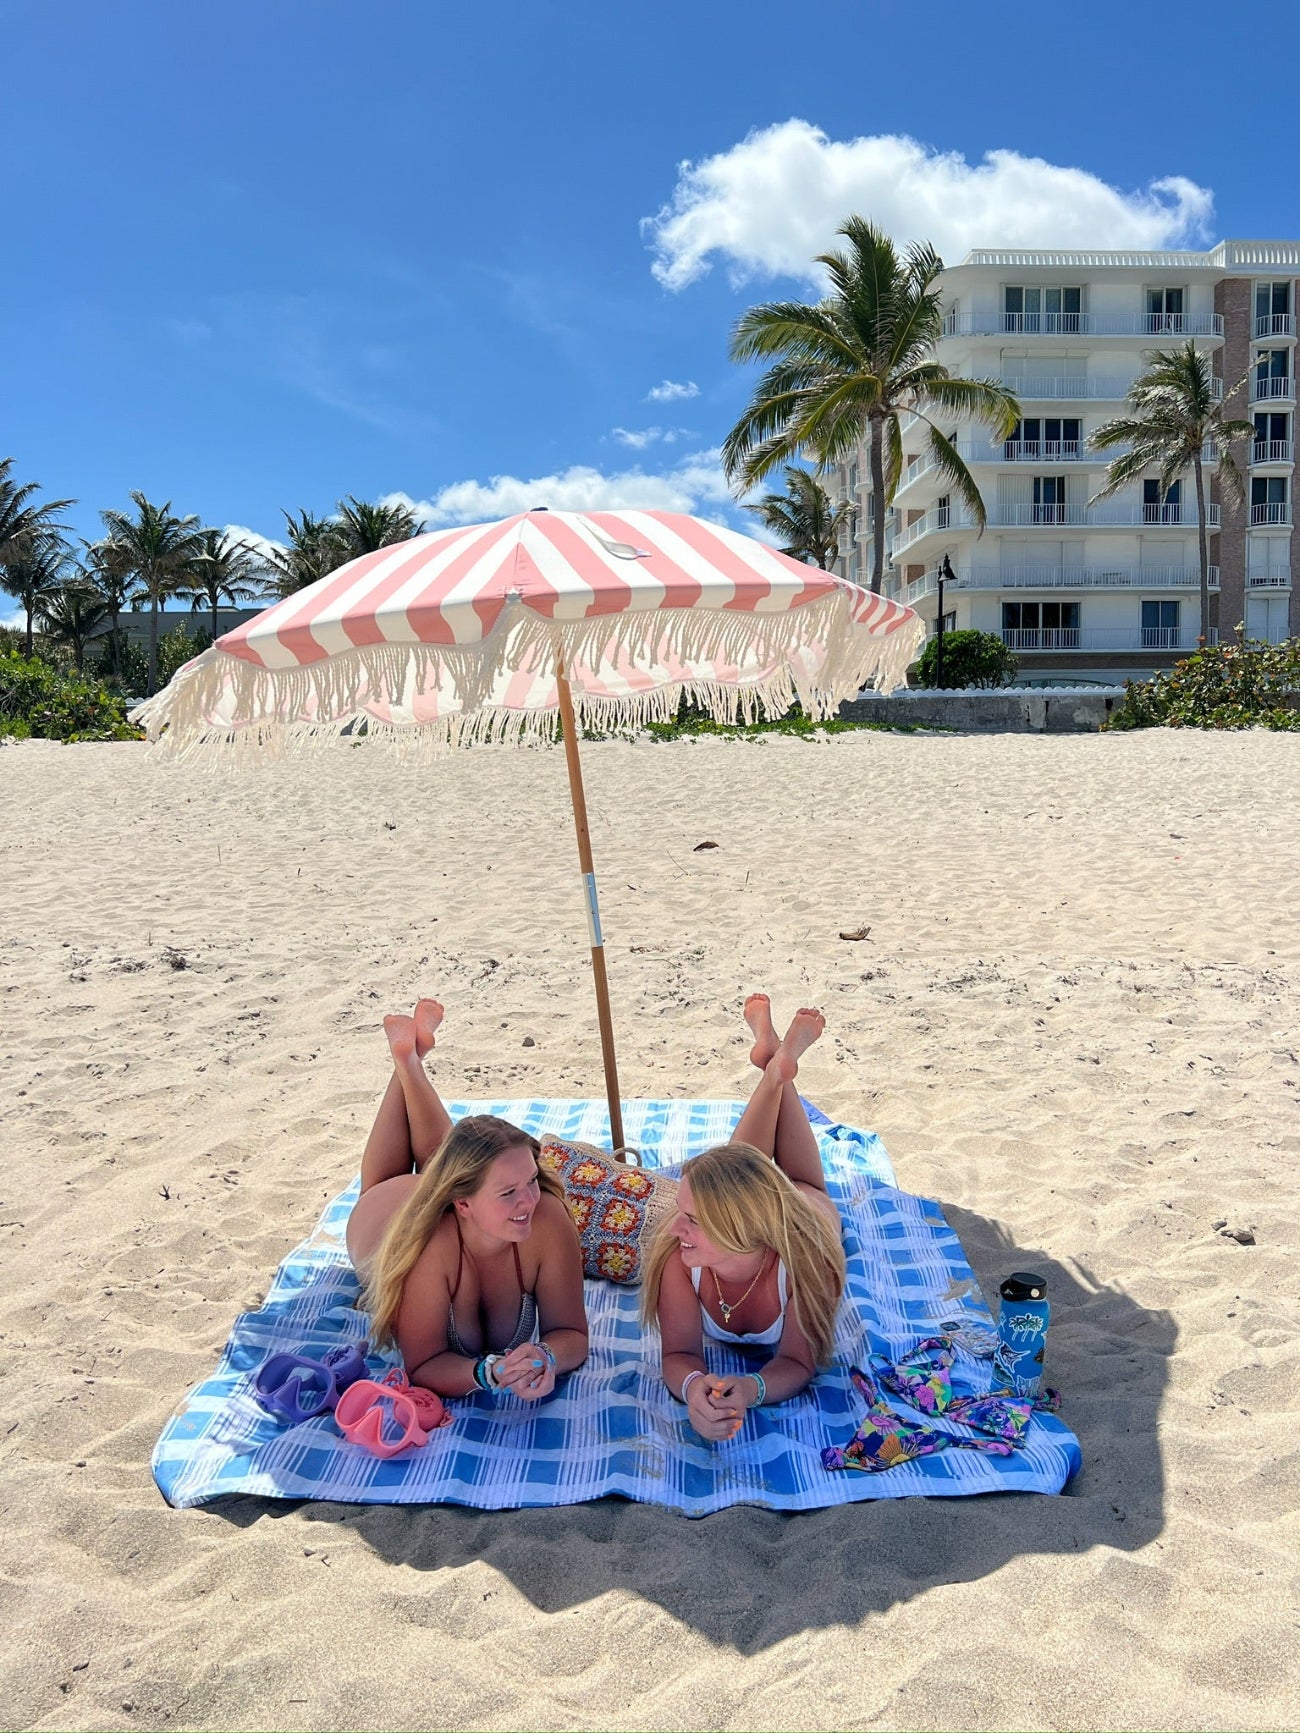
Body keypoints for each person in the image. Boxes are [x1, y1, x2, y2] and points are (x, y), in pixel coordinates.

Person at [346, 998, 587, 1400]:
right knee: (381, 1181)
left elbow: (573, 1335)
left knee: (444, 1159)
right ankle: (405, 1064)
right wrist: (488, 1372)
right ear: (462, 1205)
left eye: (530, 1179)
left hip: (454, 1195)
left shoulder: (546, 1218)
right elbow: (422, 1364)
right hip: (384, 1213)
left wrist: (545, 1357)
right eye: (509, 1193)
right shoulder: (427, 1249)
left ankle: (410, 1057)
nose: (529, 1200)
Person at [641, 995, 847, 1440]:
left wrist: (752, 1388)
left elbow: (797, 1363)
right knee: (737, 1168)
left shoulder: (807, 1264)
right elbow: (678, 1355)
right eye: (682, 1211)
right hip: (757, 1209)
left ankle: (776, 1067)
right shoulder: (676, 1255)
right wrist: (696, 1389)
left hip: (807, 1209)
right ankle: (775, 1067)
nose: (675, 1229)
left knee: (804, 1182)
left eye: (693, 1221)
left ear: (741, 1231)